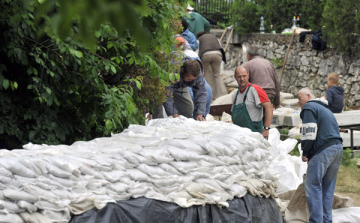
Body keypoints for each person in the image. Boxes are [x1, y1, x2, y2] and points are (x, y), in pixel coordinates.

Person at [297, 87, 343, 223]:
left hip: (323, 150)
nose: (298, 102)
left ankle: (316, 221)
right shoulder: (325, 109)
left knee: (313, 186)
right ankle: (326, 220)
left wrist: (305, 152)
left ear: (308, 96)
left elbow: (309, 132)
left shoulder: (309, 107)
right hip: (337, 148)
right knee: (328, 187)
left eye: (300, 98)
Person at [231, 66, 273, 139]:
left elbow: (269, 107)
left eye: (244, 76)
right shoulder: (236, 95)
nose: (242, 79)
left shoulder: (255, 89)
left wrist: (266, 128)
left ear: (248, 75)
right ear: (235, 77)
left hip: (254, 134)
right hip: (239, 136)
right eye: (239, 77)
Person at [197, 31, 227, 99]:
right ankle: (218, 97)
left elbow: (197, 50)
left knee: (202, 76)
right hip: (218, 54)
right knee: (217, 76)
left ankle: (205, 95)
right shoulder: (214, 37)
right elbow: (219, 46)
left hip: (205, 55)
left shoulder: (199, 39)